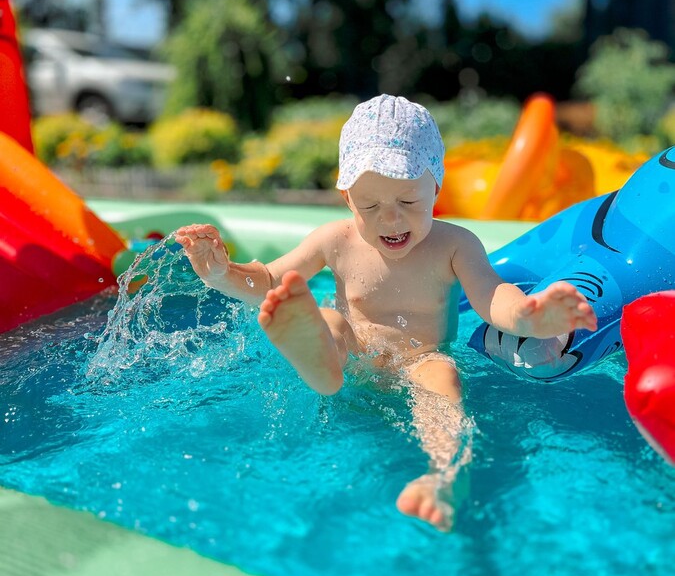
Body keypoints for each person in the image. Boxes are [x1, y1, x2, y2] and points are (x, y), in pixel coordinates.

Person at [176, 95, 597, 531]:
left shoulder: (455, 245)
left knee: (442, 376)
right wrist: (222, 274)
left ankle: (444, 477)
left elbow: (492, 297)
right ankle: (321, 364)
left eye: (408, 202)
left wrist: (528, 317)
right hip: (353, 352)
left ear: (436, 185)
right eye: (370, 206)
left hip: (419, 358)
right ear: (346, 196)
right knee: (333, 321)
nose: (391, 219)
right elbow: (266, 280)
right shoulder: (333, 240)